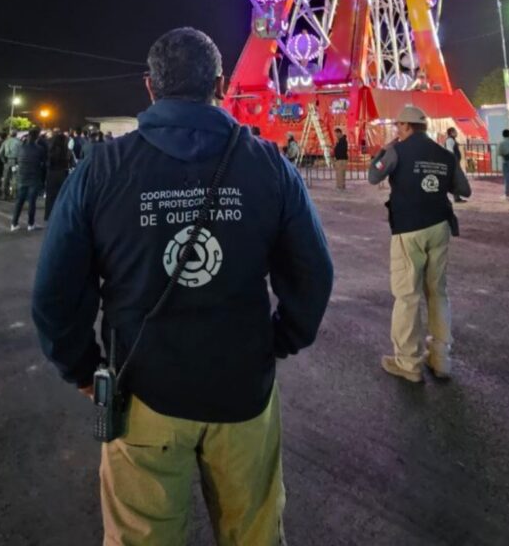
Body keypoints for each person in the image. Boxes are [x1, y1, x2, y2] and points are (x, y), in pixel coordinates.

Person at [32, 27, 333, 546]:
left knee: (142, 534)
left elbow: (55, 291)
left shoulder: (102, 169)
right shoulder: (269, 165)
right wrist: (282, 339)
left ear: (150, 86)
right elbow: (313, 271)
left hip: (142, 391)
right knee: (255, 532)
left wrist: (81, 368)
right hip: (244, 389)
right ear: (219, 84)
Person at [368, 105, 471, 382]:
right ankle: (441, 358)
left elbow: (374, 176)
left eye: (398, 126)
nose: (397, 131)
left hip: (408, 228)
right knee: (437, 292)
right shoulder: (444, 154)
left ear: (406, 126)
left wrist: (384, 152)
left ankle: (408, 362)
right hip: (440, 226)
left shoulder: (397, 151)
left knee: (407, 295)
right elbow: (464, 189)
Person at [11, 128, 45, 231]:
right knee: (32, 202)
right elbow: (43, 163)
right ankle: (31, 224)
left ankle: (14, 223)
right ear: (37, 137)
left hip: (22, 176)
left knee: (19, 201)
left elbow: (17, 159)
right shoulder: (39, 149)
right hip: (34, 177)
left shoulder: (21, 147)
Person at [44, 132, 73, 222]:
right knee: (61, 196)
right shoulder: (66, 151)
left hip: (51, 174)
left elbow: (47, 163)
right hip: (62, 173)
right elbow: (71, 162)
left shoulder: (50, 150)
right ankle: (59, 216)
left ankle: (48, 215)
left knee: (50, 196)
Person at [0, 129, 22, 199]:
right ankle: (14, 194)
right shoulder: (19, 142)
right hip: (16, 162)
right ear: (16, 134)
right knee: (15, 178)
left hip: (7, 161)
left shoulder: (5, 141)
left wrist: (3, 160)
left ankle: (4, 194)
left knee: (6, 178)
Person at [445, 127, 465, 203]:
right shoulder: (450, 140)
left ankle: (457, 197)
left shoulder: (452, 140)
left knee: (454, 180)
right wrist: (454, 162)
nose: (456, 133)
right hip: (453, 163)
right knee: (455, 180)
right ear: (451, 133)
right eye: (455, 132)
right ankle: (456, 198)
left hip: (454, 162)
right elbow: (450, 151)